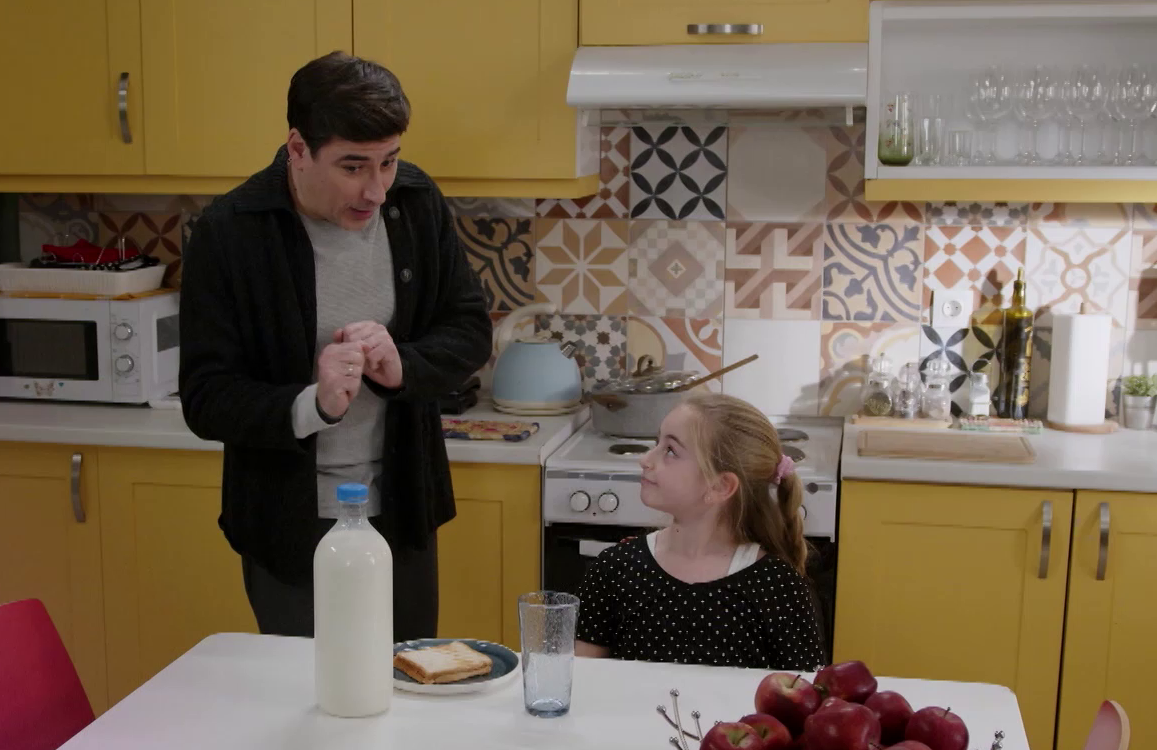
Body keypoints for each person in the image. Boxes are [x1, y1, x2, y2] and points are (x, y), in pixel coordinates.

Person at [179, 51, 491, 640]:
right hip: (289, 525)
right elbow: (205, 397)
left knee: (408, 677)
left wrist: (403, 365)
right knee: (308, 687)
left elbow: (470, 328)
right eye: (353, 167)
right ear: (298, 148)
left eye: (388, 162)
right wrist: (312, 404)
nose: (375, 190)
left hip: (403, 510)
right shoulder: (230, 232)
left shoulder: (415, 202)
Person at [574, 393, 825, 670]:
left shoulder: (778, 588)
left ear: (720, 487)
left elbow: (803, 692)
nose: (645, 459)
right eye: (656, 443)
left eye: (670, 451)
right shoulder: (614, 569)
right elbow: (582, 680)